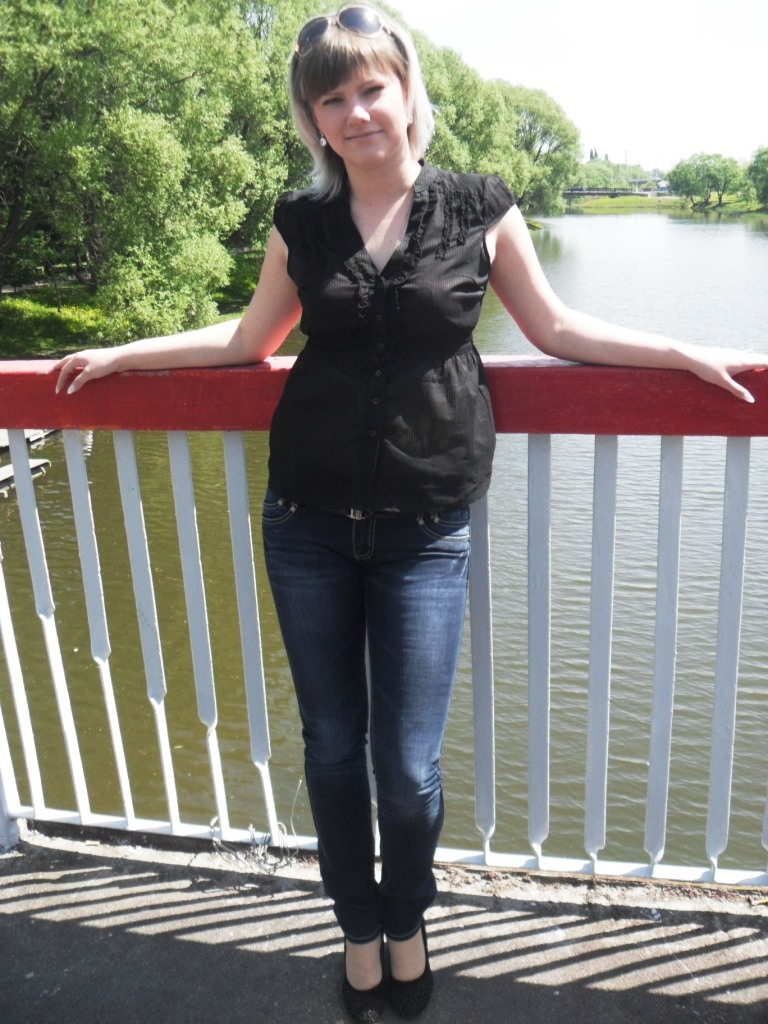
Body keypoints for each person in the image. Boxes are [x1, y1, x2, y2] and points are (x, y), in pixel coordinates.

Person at [53, 6, 767, 1020]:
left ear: (404, 93)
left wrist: (681, 353)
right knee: (331, 745)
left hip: (425, 529)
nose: (355, 112)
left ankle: (407, 920)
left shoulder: (478, 206)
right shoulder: (301, 222)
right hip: (306, 519)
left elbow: (556, 327)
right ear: (313, 118)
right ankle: (357, 926)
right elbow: (250, 340)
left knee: (407, 764)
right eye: (330, 98)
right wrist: (127, 353)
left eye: (369, 88)